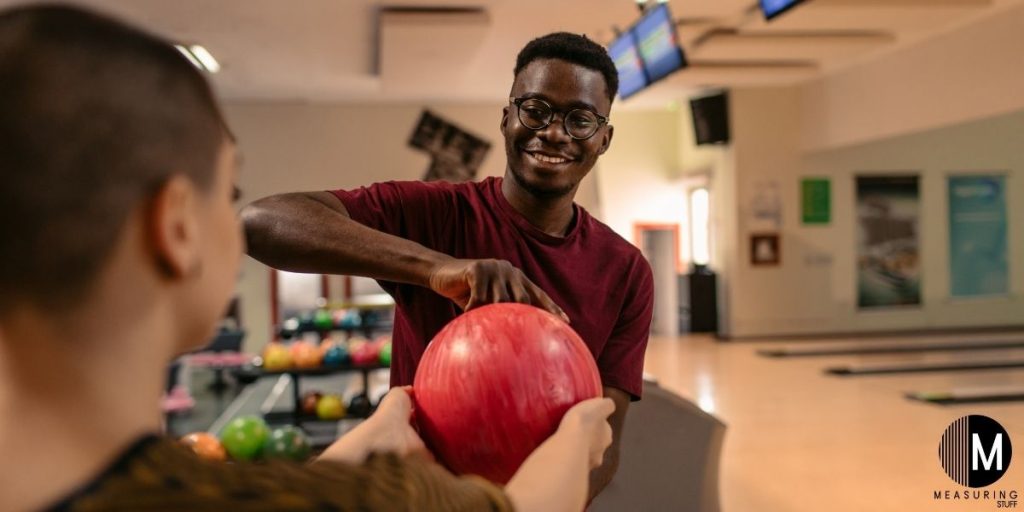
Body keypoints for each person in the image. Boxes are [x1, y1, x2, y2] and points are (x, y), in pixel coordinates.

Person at [0, 5, 613, 511]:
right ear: (177, 225)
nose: (555, 133)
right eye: (230, 190)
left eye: (579, 119)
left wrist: (372, 436)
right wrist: (580, 431)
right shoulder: (378, 497)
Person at [243, 32, 655, 499]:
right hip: (416, 499)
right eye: (535, 110)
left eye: (580, 119)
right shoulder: (434, 215)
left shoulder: (626, 271)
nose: (554, 132)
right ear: (506, 118)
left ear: (604, 139)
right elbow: (260, 222)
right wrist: (437, 268)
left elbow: (604, 444)